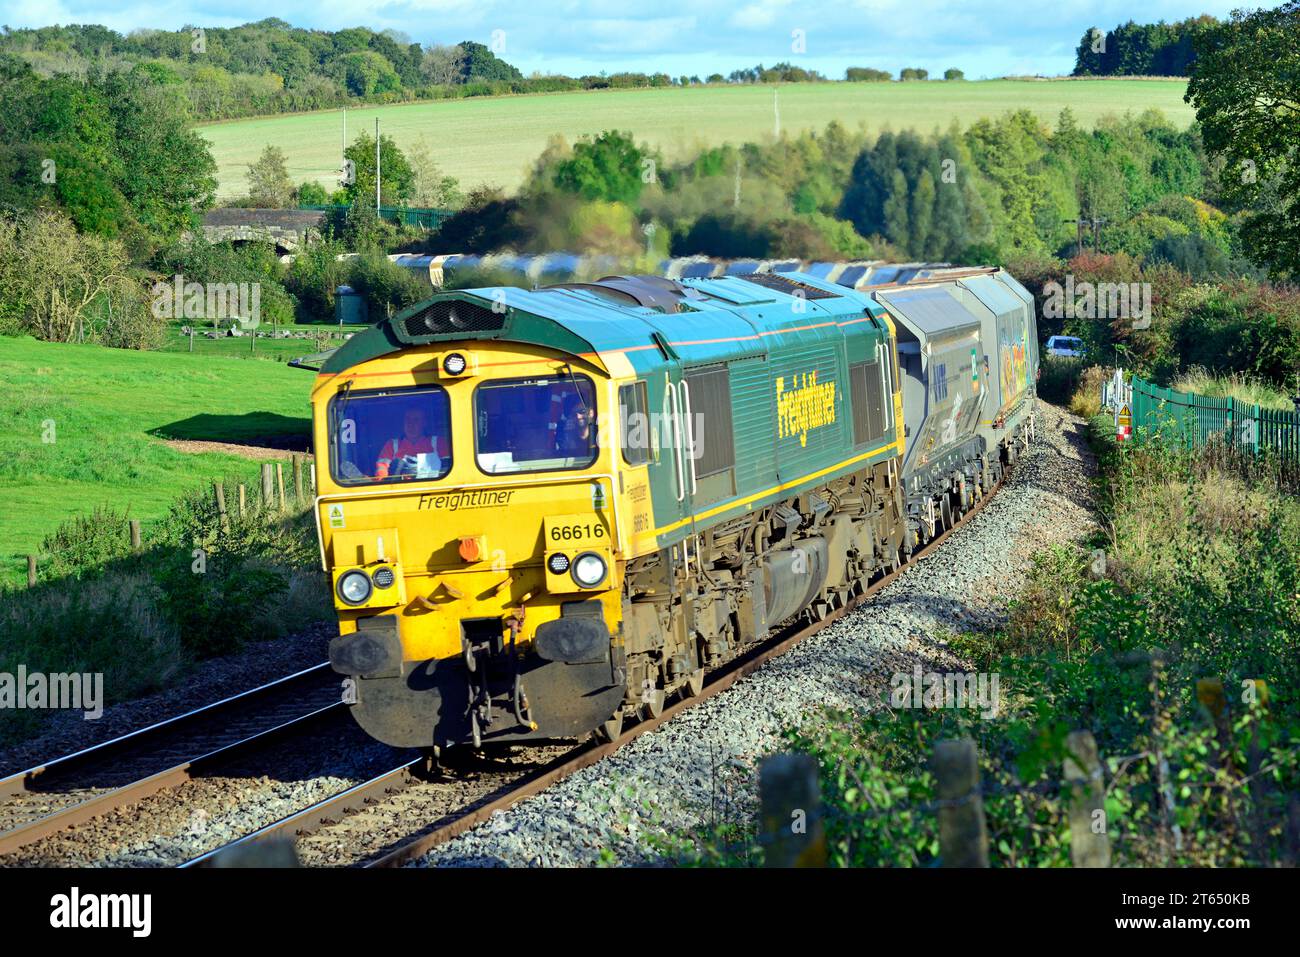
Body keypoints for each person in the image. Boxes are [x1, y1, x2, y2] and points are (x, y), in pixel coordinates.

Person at [375, 406, 437, 478]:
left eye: (416, 420)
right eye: (408, 419)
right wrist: (382, 477)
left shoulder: (438, 443)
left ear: (424, 423)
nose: (410, 424)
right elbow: (382, 467)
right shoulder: (392, 445)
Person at [555, 394, 596, 460]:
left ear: (591, 412)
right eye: (573, 414)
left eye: (582, 411)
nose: (578, 417)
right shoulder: (566, 439)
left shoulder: (600, 436)